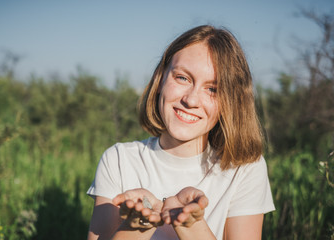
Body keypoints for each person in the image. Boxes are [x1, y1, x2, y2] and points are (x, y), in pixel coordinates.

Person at [86, 25, 275, 240]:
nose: (191, 100)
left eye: (212, 89)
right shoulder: (119, 160)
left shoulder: (244, 169)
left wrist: (191, 226)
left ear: (230, 102)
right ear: (160, 78)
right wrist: (138, 226)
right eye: (183, 78)